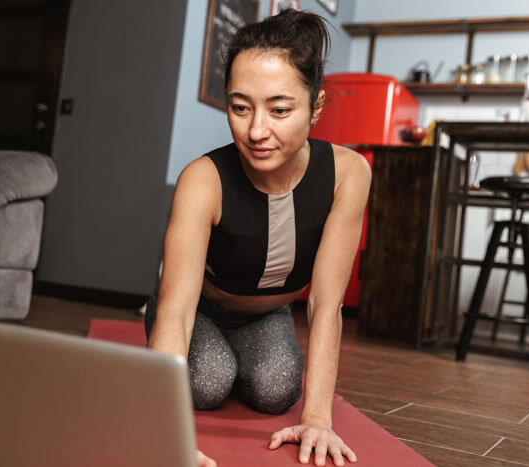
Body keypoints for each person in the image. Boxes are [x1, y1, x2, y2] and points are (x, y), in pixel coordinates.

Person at [146, 9, 371, 467]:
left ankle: (238, 359)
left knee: (277, 391)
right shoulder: (203, 178)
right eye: (240, 106)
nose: (256, 131)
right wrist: (161, 434)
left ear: (317, 106)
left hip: (266, 313)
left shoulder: (348, 174)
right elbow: (178, 307)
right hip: (201, 308)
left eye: (280, 109)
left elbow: (326, 304)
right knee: (206, 383)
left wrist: (318, 419)